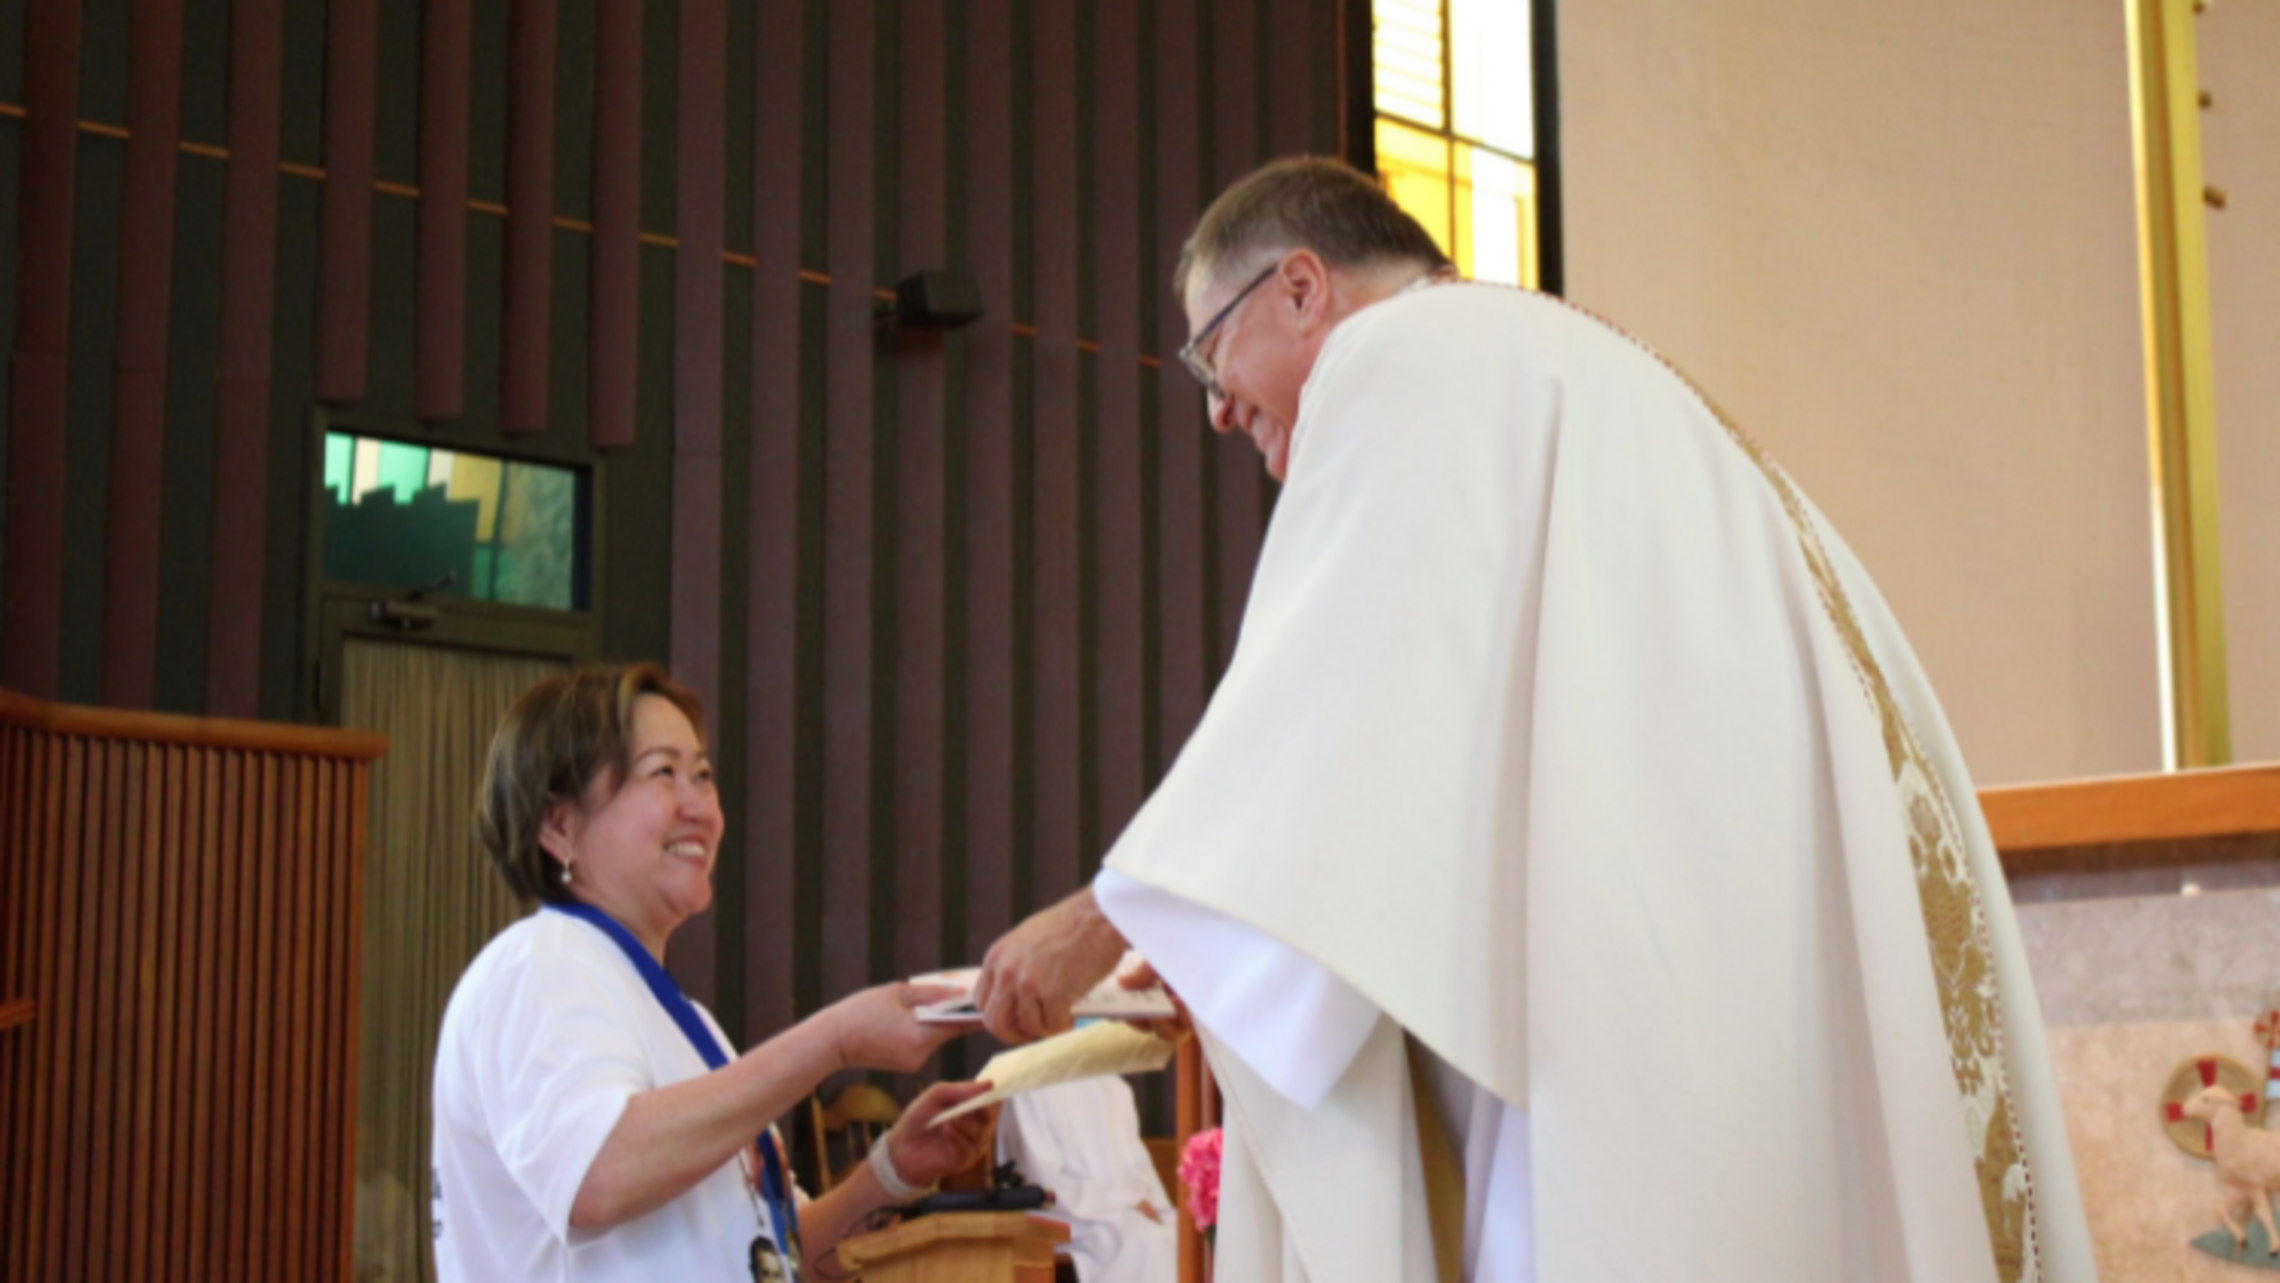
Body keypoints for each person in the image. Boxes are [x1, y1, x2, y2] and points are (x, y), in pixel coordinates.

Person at [969, 158, 2098, 1282]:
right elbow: (1421, 764)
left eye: (1213, 355)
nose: (1217, 409)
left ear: (1302, 290)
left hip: (1635, 992)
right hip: (1722, 946)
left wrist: (1108, 916)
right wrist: (1244, 939)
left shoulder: (1400, 360)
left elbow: (1324, 714)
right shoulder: (1543, 364)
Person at [432, 663, 991, 1281]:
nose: (701, 806)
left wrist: (894, 1169)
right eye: (663, 773)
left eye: (703, 774)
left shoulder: (686, 1024)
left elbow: (786, 1258)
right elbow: (596, 1174)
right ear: (560, 825)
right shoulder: (541, 963)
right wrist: (832, 1041)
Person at [994, 1073, 1178, 1283]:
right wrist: (1128, 1204)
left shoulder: (1116, 1088)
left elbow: (1141, 1172)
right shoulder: (1029, 1088)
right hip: (1070, 1224)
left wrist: (1152, 1209)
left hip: (1123, 1216)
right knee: (1145, 1241)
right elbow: (1041, 1190)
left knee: (1186, 1235)